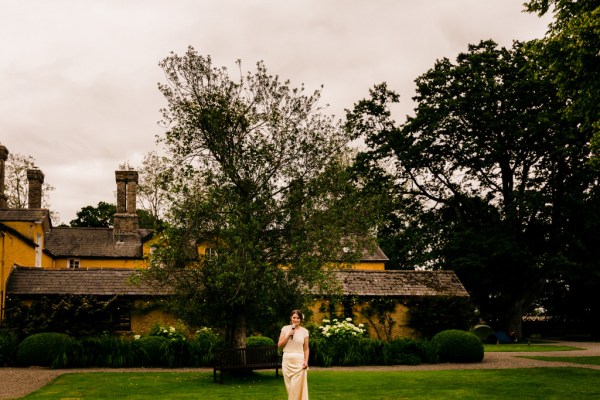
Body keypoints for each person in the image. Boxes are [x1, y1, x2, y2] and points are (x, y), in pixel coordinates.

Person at [278, 309, 309, 400]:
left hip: (299, 363)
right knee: (290, 388)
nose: (295, 320)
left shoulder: (304, 331)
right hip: (287, 363)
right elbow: (280, 345)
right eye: (294, 317)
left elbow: (306, 349)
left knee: (296, 388)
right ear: (291, 318)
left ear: (300, 319)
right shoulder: (285, 329)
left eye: (298, 318)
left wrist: (306, 361)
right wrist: (288, 335)